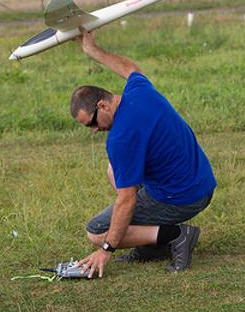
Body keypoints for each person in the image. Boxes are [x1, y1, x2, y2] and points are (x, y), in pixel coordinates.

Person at [71, 28, 216, 279]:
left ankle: (176, 235)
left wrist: (106, 249)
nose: (94, 130)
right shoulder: (139, 91)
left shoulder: (121, 138)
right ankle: (151, 244)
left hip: (183, 196)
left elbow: (127, 200)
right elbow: (129, 67)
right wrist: (92, 49)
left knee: (96, 231)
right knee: (113, 169)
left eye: (92, 123)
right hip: (201, 182)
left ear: (103, 105)